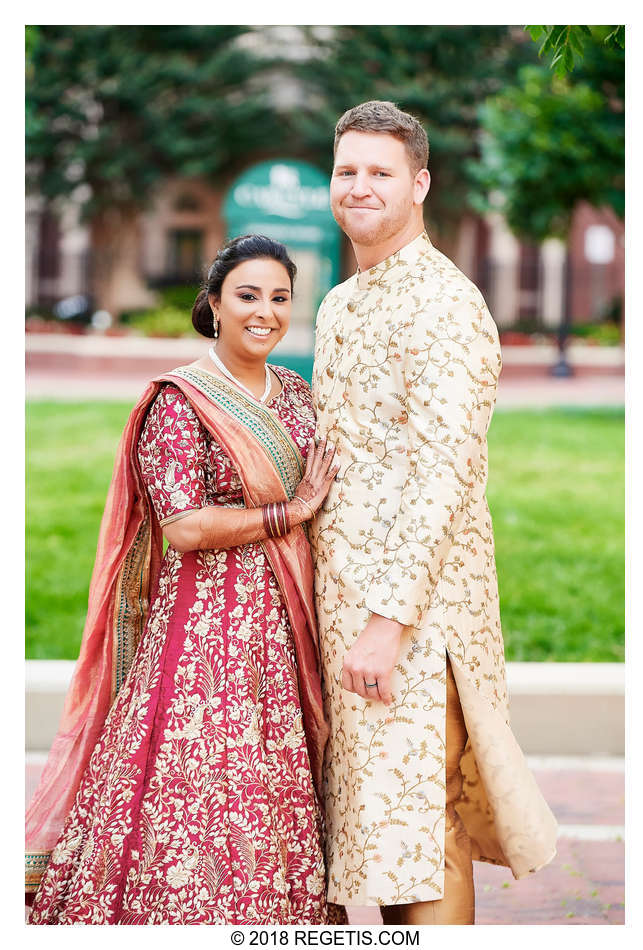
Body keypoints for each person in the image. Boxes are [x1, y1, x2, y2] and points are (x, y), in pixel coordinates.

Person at [25, 234, 344, 925]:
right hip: (203, 631)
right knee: (193, 778)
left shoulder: (297, 395)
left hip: (284, 632)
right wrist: (290, 511)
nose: (265, 313)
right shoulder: (181, 398)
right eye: (248, 296)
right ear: (215, 304)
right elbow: (184, 527)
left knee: (269, 779)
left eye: (280, 298)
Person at [310, 100, 558, 925]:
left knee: (423, 838)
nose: (360, 186)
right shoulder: (343, 303)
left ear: (420, 183)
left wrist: (390, 621)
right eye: (348, 170)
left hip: (417, 620)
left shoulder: (446, 304)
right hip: (339, 607)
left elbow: (447, 474)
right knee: (369, 840)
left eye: (381, 172)